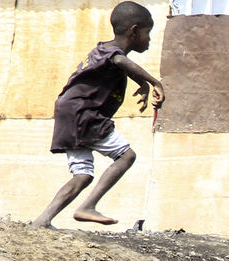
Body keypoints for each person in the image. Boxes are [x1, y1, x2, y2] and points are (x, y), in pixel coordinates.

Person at [34, 1, 165, 228]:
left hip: (72, 113)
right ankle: (87, 206)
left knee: (82, 175)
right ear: (134, 31)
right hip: (84, 114)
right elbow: (120, 60)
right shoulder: (113, 54)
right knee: (126, 156)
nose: (150, 40)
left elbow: (118, 64)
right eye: (148, 33)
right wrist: (154, 82)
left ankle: (42, 220)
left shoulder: (103, 50)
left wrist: (141, 84)